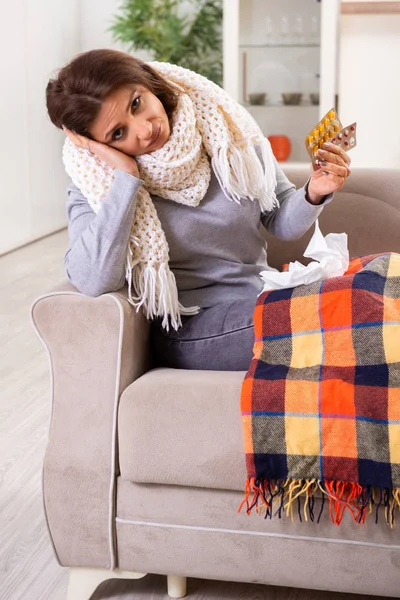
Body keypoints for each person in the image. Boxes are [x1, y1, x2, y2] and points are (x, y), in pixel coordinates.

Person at [46, 49, 351, 371]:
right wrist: (125, 179)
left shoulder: (229, 134)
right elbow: (92, 280)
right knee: (348, 310)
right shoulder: (97, 187)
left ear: (149, 84)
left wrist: (315, 192)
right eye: (118, 133)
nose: (144, 130)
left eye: (136, 104)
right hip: (195, 329)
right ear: (97, 145)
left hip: (263, 295)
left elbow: (281, 223)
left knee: (386, 274)